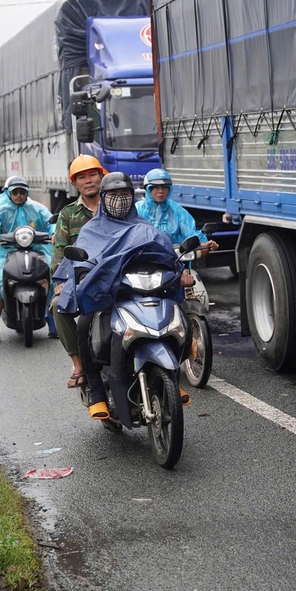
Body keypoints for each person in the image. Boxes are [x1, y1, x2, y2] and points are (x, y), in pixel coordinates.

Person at [52, 172, 190, 420]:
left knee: (180, 317)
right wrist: (83, 277)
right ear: (104, 198)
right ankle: (96, 392)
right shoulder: (91, 230)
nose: (120, 200)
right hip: (109, 295)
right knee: (85, 325)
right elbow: (78, 261)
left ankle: (172, 376)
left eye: (125, 195)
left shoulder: (145, 227)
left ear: (132, 196)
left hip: (142, 290)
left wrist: (180, 273)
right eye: (114, 195)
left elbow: (167, 256)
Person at [50, 155, 106, 388]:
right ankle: (78, 364)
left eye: (92, 174)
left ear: (102, 176)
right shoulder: (68, 214)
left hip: (116, 274)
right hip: (81, 279)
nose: (88, 180)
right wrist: (61, 282)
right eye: (81, 177)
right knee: (57, 306)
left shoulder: (118, 204)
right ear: (74, 183)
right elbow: (59, 252)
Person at [0, 176, 54, 343]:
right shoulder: (1, 211)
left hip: (36, 248)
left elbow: (51, 222)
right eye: (15, 192)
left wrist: (54, 233)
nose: (19, 195)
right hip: (5, 250)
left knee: (51, 274)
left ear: (26, 193)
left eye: (22, 192)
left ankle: (53, 322)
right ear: (9, 193)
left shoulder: (37, 208)